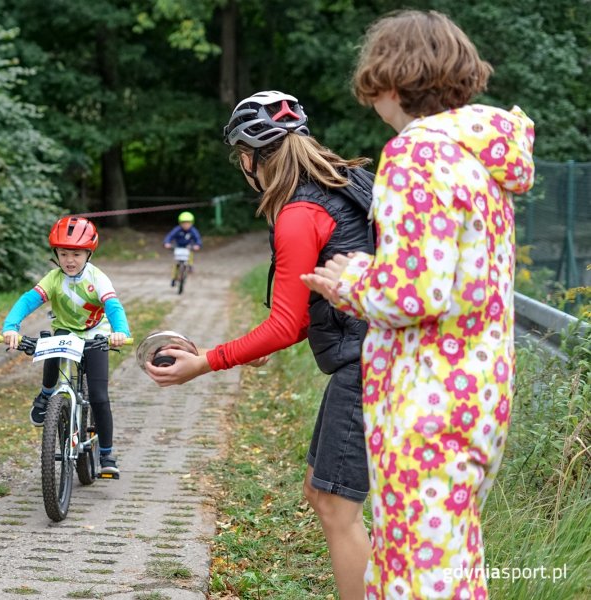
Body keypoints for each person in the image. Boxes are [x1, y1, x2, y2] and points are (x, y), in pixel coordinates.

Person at [301, 10, 535, 599]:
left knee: (422, 580)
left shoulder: (416, 154)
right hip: (476, 392)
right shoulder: (477, 157)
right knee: (441, 568)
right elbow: (452, 282)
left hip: (425, 400)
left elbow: (414, 291)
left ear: (390, 79)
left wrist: (350, 279)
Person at [146, 90, 375, 600]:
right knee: (321, 492)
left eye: (239, 158)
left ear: (250, 157)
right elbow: (296, 320)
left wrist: (203, 363)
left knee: (337, 506)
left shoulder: (298, 212)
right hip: (384, 356)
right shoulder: (349, 181)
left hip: (370, 366)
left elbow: (285, 324)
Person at [2, 216, 131, 476]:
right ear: (56, 254)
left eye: (76, 254)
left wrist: (120, 332)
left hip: (97, 333)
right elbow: (28, 301)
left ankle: (106, 454)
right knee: (50, 344)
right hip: (66, 331)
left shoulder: (98, 278)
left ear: (88, 254)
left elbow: (113, 306)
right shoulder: (53, 278)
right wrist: (10, 327)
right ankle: (47, 394)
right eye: (63, 254)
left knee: (99, 395)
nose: (69, 260)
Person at [163, 211, 202, 285]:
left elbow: (198, 239)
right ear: (180, 223)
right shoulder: (177, 229)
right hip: (178, 246)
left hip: (188, 246)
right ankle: (174, 276)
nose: (186, 225)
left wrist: (198, 245)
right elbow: (170, 236)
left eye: (188, 223)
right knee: (176, 262)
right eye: (184, 223)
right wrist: (167, 242)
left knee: (190, 253)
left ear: (191, 223)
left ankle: (190, 265)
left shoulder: (193, 231)